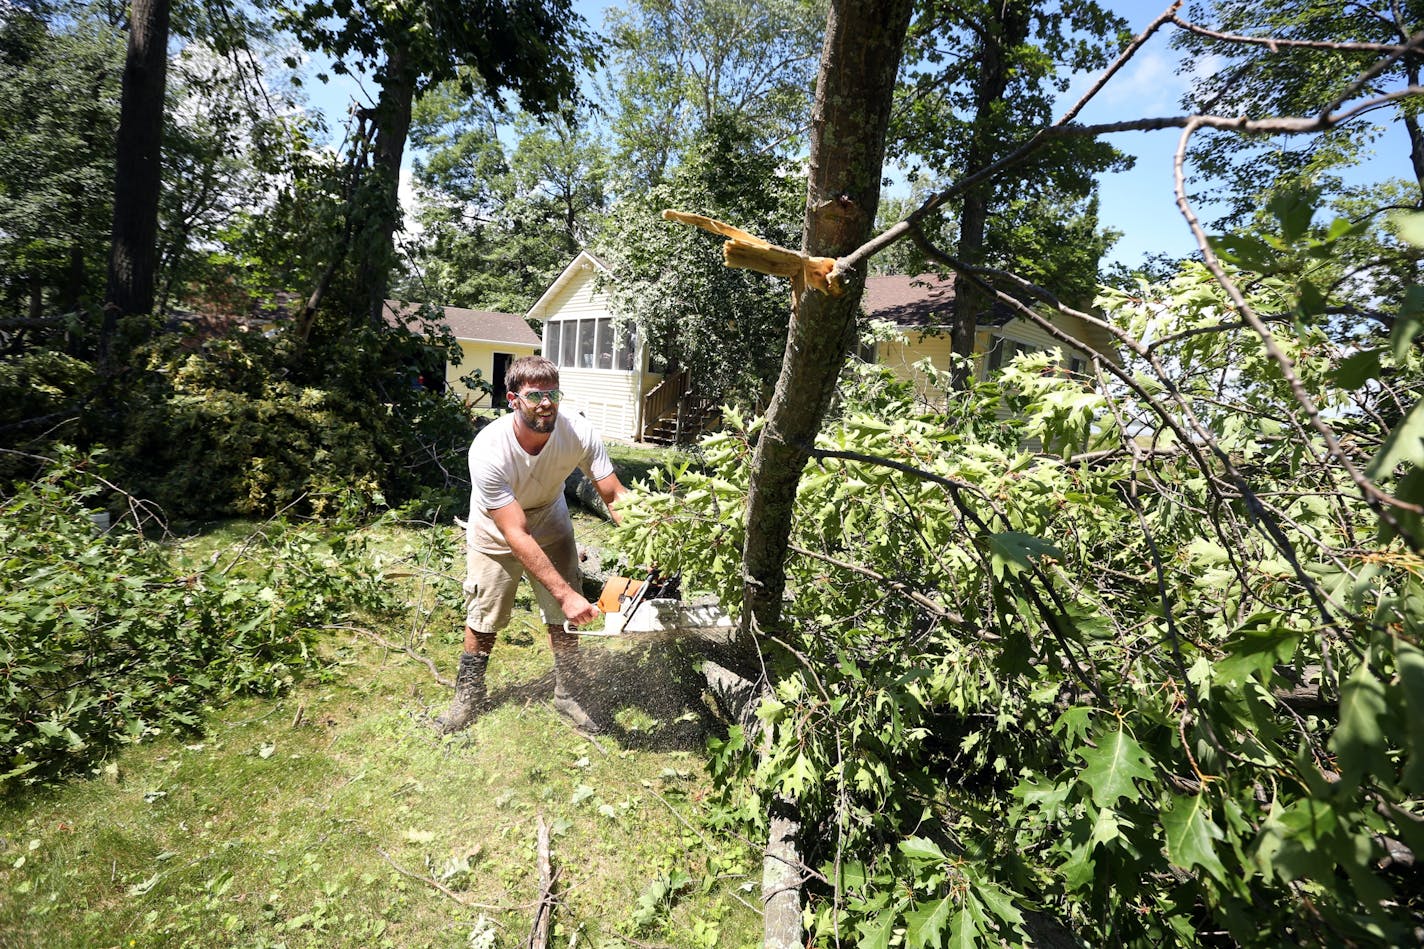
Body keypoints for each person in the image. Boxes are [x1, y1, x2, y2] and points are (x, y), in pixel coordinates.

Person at [433, 355, 627, 736]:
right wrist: (566, 593)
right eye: (535, 394)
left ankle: (569, 693)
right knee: (484, 616)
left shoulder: (579, 433)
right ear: (512, 399)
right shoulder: (489, 448)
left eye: (553, 392)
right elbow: (515, 533)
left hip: (550, 518)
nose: (546, 402)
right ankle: (468, 696)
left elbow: (616, 497)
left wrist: (650, 538)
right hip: (496, 530)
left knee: (564, 616)